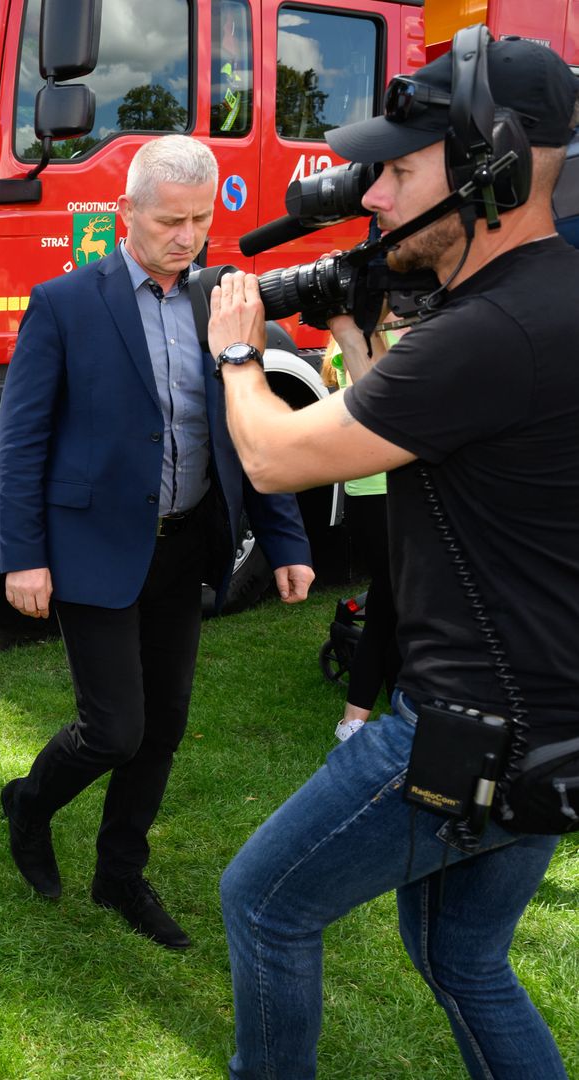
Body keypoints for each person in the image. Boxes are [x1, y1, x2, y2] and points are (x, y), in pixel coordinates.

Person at [210, 36, 579, 1076]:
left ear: (489, 169)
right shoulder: (549, 302)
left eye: (399, 170)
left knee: (265, 905)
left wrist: (241, 352)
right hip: (552, 722)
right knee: (461, 958)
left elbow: (276, 456)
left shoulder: (489, 333)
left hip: (466, 734)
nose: (371, 198)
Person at [0, 135, 314, 950]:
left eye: (201, 219)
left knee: (164, 724)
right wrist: (21, 554)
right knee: (114, 727)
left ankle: (119, 875)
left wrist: (286, 541)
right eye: (170, 220)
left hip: (185, 543)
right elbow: (22, 439)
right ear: (127, 211)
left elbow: (249, 435)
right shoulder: (66, 302)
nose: (187, 236)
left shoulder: (223, 300)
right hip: (92, 546)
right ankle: (31, 803)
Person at [323, 332, 400, 742]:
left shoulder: (358, 331)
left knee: (394, 600)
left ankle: (363, 716)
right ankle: (356, 719)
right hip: (380, 489)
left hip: (384, 488)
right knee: (391, 598)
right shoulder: (368, 337)